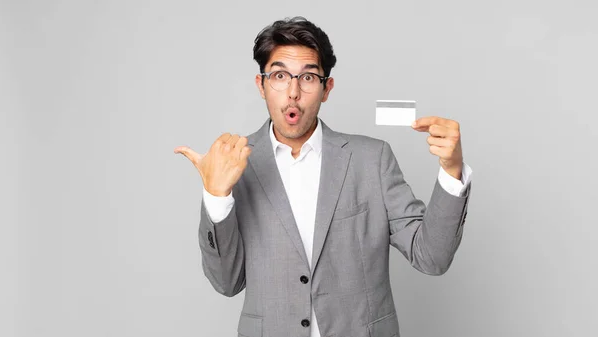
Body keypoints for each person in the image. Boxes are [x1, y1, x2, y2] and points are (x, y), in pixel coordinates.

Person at [174, 16, 472, 337]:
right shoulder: (234, 164)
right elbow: (226, 282)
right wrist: (216, 197)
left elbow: (432, 257)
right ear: (261, 85)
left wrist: (452, 172)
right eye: (279, 75)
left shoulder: (372, 159)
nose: (293, 92)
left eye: (308, 77)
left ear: (326, 88)